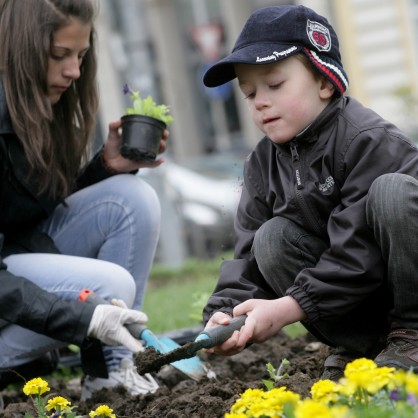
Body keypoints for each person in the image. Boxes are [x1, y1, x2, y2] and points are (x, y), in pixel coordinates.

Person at [201, 5, 418, 381]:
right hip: (363, 303)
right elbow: (248, 258)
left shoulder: (367, 141)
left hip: (402, 288)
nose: (260, 101)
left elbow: (358, 253)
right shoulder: (261, 164)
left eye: (275, 84)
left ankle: (412, 335)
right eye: (249, 93)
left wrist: (289, 307)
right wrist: (223, 313)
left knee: (393, 192)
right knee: (271, 238)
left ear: (324, 82)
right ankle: (362, 347)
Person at [0, 0, 168, 400]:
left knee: (131, 198)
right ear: (18, 49)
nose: (74, 71)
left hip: (11, 273)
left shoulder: (37, 113)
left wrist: (105, 169)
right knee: (109, 283)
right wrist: (83, 316)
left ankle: (111, 374)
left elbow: (30, 224)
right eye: (60, 55)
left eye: (81, 55)